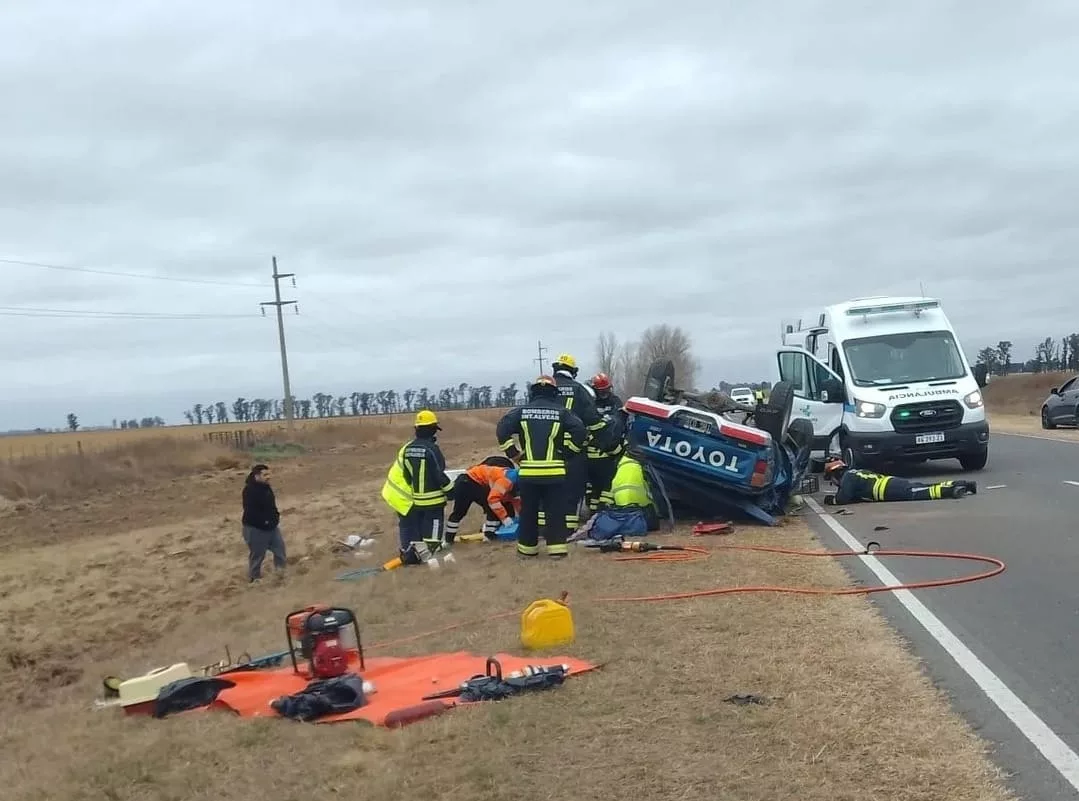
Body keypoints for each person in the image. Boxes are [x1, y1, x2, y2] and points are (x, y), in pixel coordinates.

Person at [495, 375, 588, 560]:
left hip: (529, 472)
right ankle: (557, 550)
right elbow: (580, 430)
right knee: (555, 511)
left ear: (533, 392)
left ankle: (527, 550)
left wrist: (514, 454)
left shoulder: (521, 412)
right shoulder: (562, 412)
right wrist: (567, 453)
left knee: (529, 512)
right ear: (554, 392)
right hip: (554, 472)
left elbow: (502, 429)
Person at [380, 409, 455, 558]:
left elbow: (407, 475)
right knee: (419, 527)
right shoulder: (432, 449)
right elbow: (438, 475)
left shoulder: (408, 448)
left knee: (415, 526)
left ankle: (412, 554)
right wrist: (451, 491)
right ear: (433, 429)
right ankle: (417, 555)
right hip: (410, 496)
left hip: (411, 496)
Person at [549, 353, 611, 533]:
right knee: (572, 490)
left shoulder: (543, 388)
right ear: (573, 371)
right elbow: (593, 421)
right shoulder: (580, 390)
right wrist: (606, 437)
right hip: (573, 452)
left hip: (545, 449)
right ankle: (567, 529)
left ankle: (545, 527)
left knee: (548, 490)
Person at [822, 458, 977, 504]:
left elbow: (843, 498)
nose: (834, 483)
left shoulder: (848, 478)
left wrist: (832, 500)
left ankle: (952, 490)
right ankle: (961, 484)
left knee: (925, 492)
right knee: (922, 487)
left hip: (890, 490)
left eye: (832, 480)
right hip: (891, 484)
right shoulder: (854, 473)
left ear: (835, 474)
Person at [444, 459, 521, 543]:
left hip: (464, 481)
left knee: (458, 513)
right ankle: (489, 536)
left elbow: (514, 499)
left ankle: (448, 540)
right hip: (470, 482)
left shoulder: (511, 476)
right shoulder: (506, 481)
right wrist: (505, 518)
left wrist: (522, 516)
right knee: (491, 508)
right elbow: (493, 500)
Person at [584, 372, 626, 514]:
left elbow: (620, 421)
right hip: (591, 453)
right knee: (593, 487)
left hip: (610, 451)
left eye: (606, 390)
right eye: (601, 391)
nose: (604, 393)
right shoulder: (589, 403)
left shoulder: (615, 401)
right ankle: (595, 512)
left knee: (607, 484)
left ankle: (603, 511)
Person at [241, 463, 287, 583]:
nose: (268, 477)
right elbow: (251, 511)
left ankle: (280, 574)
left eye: (269, 474)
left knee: (280, 550)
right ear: (257, 476)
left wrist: (275, 517)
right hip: (255, 529)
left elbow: (271, 506)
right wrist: (265, 522)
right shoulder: (249, 491)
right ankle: (254, 578)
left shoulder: (267, 488)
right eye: (265, 474)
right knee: (257, 555)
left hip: (272, 527)